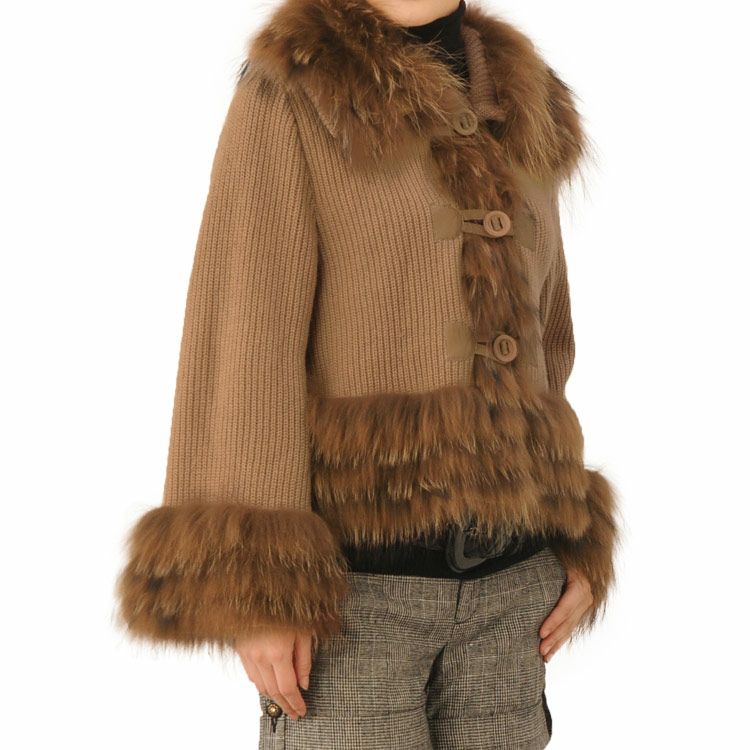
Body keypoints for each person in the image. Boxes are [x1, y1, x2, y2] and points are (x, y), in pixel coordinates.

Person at [114, 0, 621, 747]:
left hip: (515, 605)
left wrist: (573, 532)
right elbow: (248, 336)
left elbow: (548, 338)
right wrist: (260, 588)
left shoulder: (524, 96)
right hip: (354, 607)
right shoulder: (295, 88)